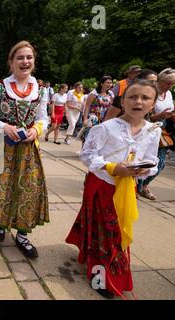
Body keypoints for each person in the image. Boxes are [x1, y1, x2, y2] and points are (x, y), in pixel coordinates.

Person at [66, 80, 161, 299]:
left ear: (154, 103)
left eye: (145, 98)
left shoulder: (153, 131)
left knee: (116, 233)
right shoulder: (106, 127)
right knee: (105, 232)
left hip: (127, 189)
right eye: (132, 97)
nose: (138, 102)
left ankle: (107, 269)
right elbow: (87, 155)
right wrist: (111, 167)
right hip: (102, 185)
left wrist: (142, 170)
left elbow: (152, 160)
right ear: (122, 101)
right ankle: (99, 275)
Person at [0, 41, 49, 259]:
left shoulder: (41, 89)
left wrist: (37, 129)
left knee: (28, 189)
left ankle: (22, 235)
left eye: (29, 57)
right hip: (1, 145)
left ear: (33, 62)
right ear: (11, 62)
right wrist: (4, 127)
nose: (25, 62)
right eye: (20, 58)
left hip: (27, 149)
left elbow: (44, 117)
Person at [137, 68, 175, 200]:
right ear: (159, 81)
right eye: (167, 83)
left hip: (163, 132)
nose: (169, 86)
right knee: (142, 159)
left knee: (160, 163)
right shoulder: (150, 93)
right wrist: (158, 116)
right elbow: (145, 114)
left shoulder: (169, 94)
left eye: (172, 84)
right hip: (147, 130)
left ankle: (144, 184)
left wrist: (171, 116)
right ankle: (137, 186)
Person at [81, 75, 114, 142]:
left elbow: (112, 106)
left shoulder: (111, 94)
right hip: (94, 118)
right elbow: (87, 106)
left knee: (100, 138)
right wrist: (85, 119)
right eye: (107, 83)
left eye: (110, 83)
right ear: (102, 83)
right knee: (90, 136)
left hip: (105, 119)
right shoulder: (94, 93)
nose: (109, 84)